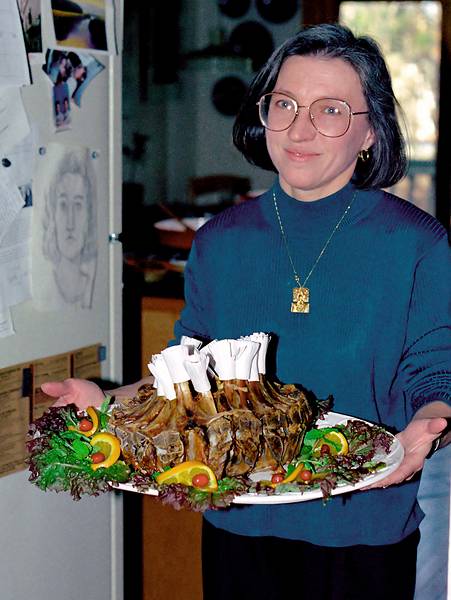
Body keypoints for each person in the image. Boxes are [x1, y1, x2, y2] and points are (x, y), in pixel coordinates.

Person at [41, 24, 450, 599]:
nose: (300, 128)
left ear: (370, 132)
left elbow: (436, 372)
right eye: (284, 104)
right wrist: (105, 405)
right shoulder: (220, 242)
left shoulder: (419, 244)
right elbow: (190, 375)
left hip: (361, 526)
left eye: (330, 109)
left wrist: (425, 426)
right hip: (238, 517)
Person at [42, 149, 97, 308]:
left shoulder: (94, 289)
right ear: (53, 214)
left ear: (89, 218)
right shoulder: (45, 290)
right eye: (63, 205)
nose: (70, 224)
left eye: (78, 206)